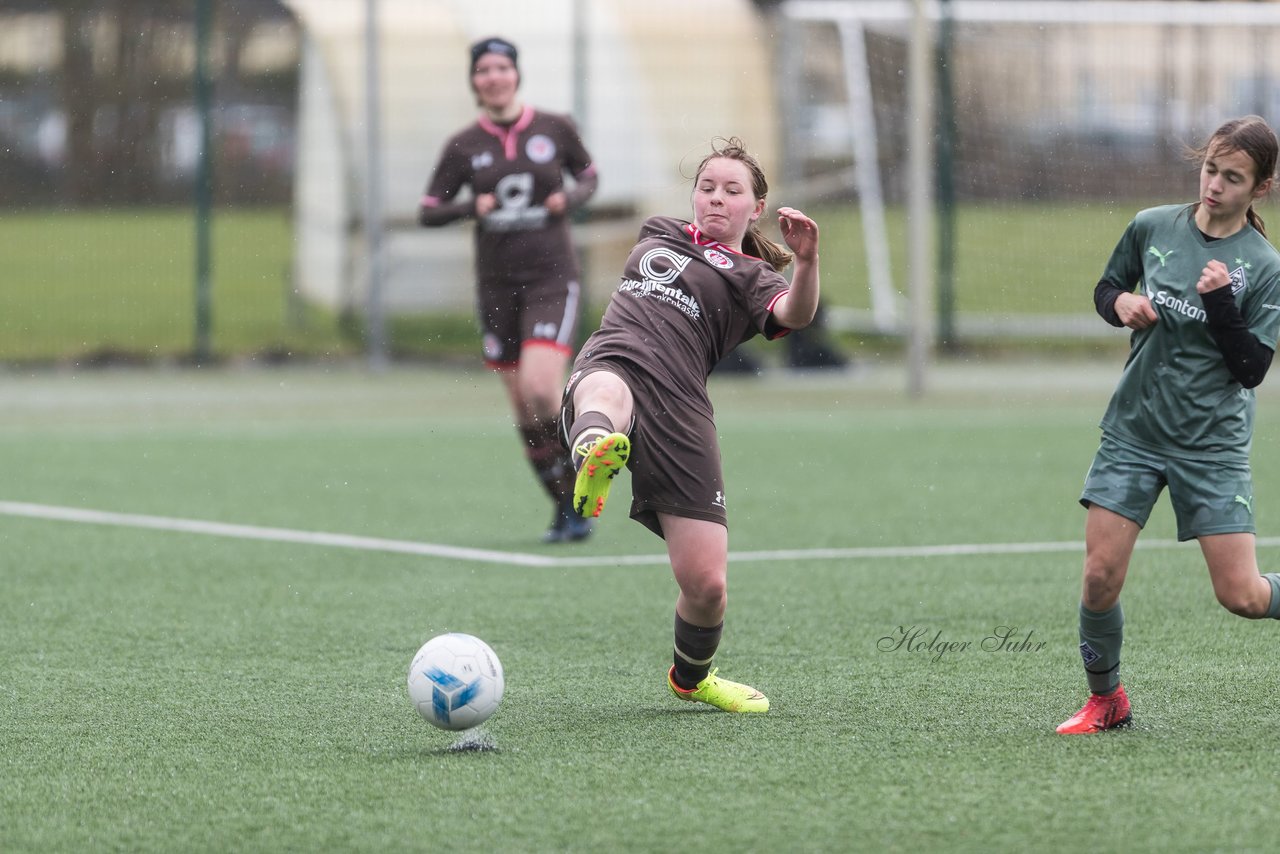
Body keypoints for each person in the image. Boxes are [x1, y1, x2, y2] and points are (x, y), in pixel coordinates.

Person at [560, 137, 821, 713]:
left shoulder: (754, 278)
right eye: (707, 188)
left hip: (681, 405)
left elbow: (795, 316)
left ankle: (692, 678)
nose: (716, 199)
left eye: (732, 191)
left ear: (755, 209)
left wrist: (805, 261)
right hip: (618, 357)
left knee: (706, 586)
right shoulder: (660, 230)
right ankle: (594, 454)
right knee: (605, 394)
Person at [1058, 115, 1280, 734]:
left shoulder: (1264, 266)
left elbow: (1252, 368)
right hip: (1135, 430)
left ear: (1260, 188)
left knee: (1242, 596)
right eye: (1210, 168)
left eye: (1233, 178)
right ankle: (1107, 701)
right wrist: (1120, 305)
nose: (1214, 185)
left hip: (1211, 447)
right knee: (1100, 577)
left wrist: (1220, 303)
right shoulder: (1152, 225)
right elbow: (1108, 288)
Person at [418, 36, 598, 544]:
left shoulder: (554, 127)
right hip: (497, 286)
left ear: (516, 74)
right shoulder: (463, 145)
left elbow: (589, 174)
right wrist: (467, 208)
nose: (493, 77)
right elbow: (429, 210)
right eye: (483, 70)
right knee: (524, 409)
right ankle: (567, 506)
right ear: (474, 81)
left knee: (543, 388)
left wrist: (572, 197)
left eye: (501, 68)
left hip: (550, 277)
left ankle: (595, 447)